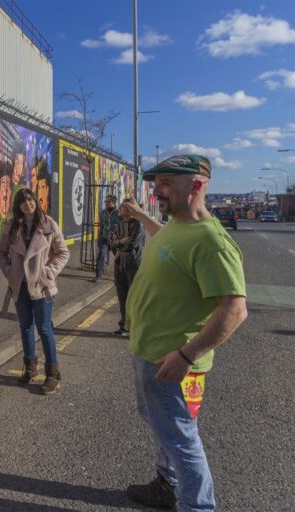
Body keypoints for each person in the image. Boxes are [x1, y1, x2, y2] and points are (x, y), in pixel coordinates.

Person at [121, 155, 247, 511]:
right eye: (156, 183)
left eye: (165, 183)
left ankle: (197, 506)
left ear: (196, 186)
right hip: (151, 353)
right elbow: (168, 241)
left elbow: (235, 308)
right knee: (164, 426)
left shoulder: (212, 241)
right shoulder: (178, 226)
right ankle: (167, 484)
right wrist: (143, 216)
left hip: (172, 363)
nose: (156, 190)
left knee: (181, 440)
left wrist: (187, 355)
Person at [0, 188, 69, 394]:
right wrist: (9, 273)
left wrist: (49, 272)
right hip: (19, 286)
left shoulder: (48, 224)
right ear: (18, 206)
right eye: (23, 201)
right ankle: (29, 369)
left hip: (42, 286)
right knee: (25, 327)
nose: (28, 204)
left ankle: (52, 374)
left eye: (30, 200)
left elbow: (63, 252)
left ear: (35, 201)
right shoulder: (11, 227)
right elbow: (0, 252)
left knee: (44, 328)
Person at [109, 202, 144, 337]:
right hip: (119, 263)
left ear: (129, 210)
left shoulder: (138, 225)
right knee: (122, 297)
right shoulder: (120, 225)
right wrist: (120, 242)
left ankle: (134, 328)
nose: (120, 208)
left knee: (133, 298)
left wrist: (119, 243)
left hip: (132, 264)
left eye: (123, 207)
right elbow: (111, 243)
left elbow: (133, 244)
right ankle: (124, 326)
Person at [94, 194, 119, 282]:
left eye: (108, 201)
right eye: (105, 201)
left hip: (115, 240)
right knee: (101, 255)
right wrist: (99, 238)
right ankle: (99, 276)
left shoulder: (119, 213)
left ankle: (119, 277)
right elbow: (101, 226)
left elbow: (122, 226)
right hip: (104, 238)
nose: (106, 203)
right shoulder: (102, 213)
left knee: (119, 258)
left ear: (113, 202)